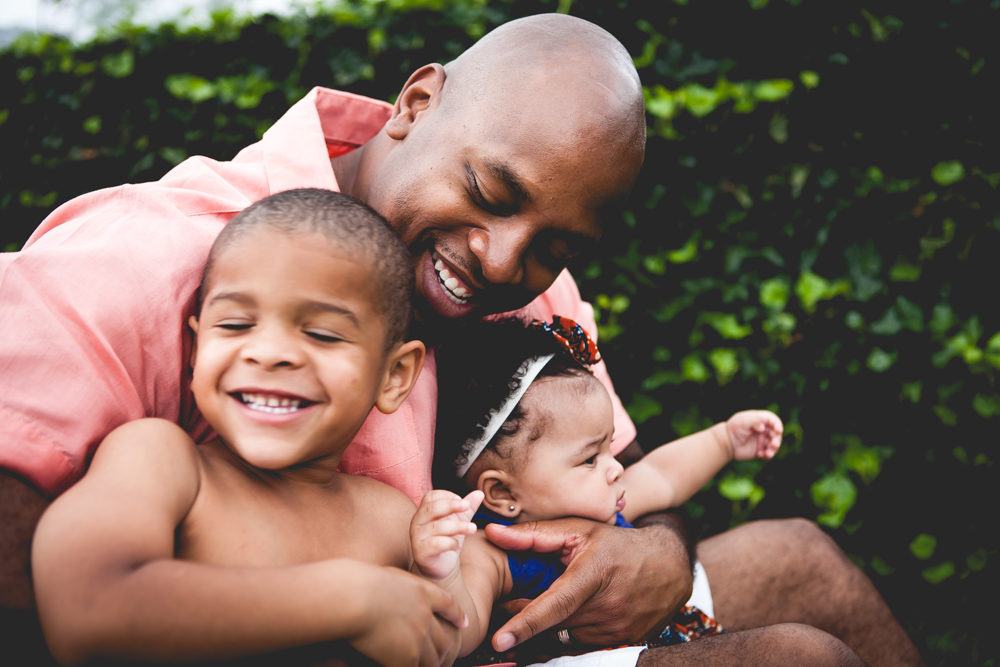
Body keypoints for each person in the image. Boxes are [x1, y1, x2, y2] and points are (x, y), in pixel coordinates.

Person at [0, 12, 924, 667]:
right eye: (488, 193)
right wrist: (331, 609)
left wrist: (653, 554)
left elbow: (626, 478)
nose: (504, 260)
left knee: (806, 559)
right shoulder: (157, 253)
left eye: (557, 245)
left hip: (509, 623)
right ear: (415, 102)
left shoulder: (534, 287)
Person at [31, 188, 470, 666]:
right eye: (236, 325)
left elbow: (436, 644)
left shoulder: (390, 519)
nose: (269, 352)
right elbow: (86, 610)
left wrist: (440, 578)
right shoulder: (164, 463)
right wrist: (348, 599)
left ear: (393, 376)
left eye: (322, 334)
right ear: (197, 351)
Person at [411, 316, 786, 660]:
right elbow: (464, 631)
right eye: (590, 458)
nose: (615, 467)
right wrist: (444, 572)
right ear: (503, 494)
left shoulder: (603, 503)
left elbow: (661, 475)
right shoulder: (490, 549)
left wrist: (723, 441)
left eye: (608, 447)